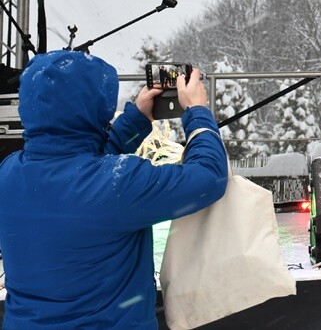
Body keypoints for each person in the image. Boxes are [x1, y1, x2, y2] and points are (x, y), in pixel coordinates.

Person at [0, 50, 228, 328]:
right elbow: (208, 178)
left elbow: (79, 173)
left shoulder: (9, 173)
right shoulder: (119, 184)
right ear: (98, 109)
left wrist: (137, 120)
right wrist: (198, 114)